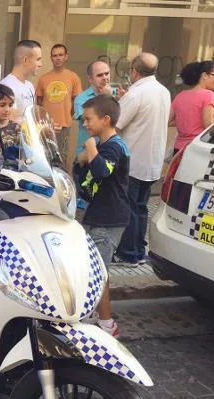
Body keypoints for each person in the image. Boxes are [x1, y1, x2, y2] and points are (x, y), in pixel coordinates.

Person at [77, 94, 130, 337]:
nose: (85, 124)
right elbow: (87, 180)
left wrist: (90, 149)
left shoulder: (115, 147)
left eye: (88, 119)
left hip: (109, 219)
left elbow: (103, 171)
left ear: (105, 119)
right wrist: (81, 162)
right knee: (93, 268)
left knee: (99, 272)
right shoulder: (105, 146)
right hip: (98, 215)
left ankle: (107, 325)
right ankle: (94, 314)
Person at [113, 53, 171, 268]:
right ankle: (138, 251)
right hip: (152, 161)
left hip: (133, 160)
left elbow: (116, 125)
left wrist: (122, 100)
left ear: (134, 72)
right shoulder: (163, 91)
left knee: (129, 207)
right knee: (141, 207)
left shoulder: (136, 94)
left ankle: (128, 253)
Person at [36, 44, 82, 164]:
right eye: (55, 55)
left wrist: (67, 116)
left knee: (61, 160)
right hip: (46, 127)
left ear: (66, 57)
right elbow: (39, 102)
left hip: (64, 127)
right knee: (44, 159)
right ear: (51, 58)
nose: (58, 58)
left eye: (60, 55)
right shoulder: (43, 78)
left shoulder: (73, 77)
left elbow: (77, 102)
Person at [169, 61, 214, 153]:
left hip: (178, 148)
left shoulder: (180, 96)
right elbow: (208, 125)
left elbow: (168, 121)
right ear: (205, 75)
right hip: (198, 149)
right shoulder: (208, 95)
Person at [73, 61, 114, 164]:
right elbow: (94, 121)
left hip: (108, 152)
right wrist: (105, 98)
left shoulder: (114, 94)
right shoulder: (81, 99)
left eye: (107, 73)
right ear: (90, 79)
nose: (105, 77)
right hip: (86, 155)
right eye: (100, 75)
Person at [0, 40, 42, 121]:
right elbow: (8, 120)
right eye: (38, 59)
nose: (41, 64)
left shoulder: (29, 85)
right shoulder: (6, 86)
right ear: (25, 60)